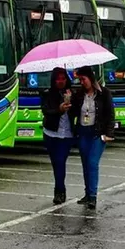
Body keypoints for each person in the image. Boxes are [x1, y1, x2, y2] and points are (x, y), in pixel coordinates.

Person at [71, 66, 115, 209]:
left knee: (92, 163)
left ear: (90, 78)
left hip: (97, 133)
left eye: (83, 79)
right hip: (84, 132)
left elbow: (110, 114)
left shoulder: (104, 93)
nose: (81, 82)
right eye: (79, 80)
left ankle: (93, 196)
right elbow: (73, 112)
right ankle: (87, 193)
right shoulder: (78, 94)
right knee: (85, 164)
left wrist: (109, 134)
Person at [39, 67, 75, 204]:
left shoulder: (72, 92)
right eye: (58, 79)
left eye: (63, 78)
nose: (61, 81)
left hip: (66, 135)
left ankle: (60, 191)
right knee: (56, 163)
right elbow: (46, 110)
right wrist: (59, 110)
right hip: (51, 133)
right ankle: (59, 189)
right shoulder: (47, 94)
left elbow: (78, 110)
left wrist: (72, 100)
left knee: (60, 161)